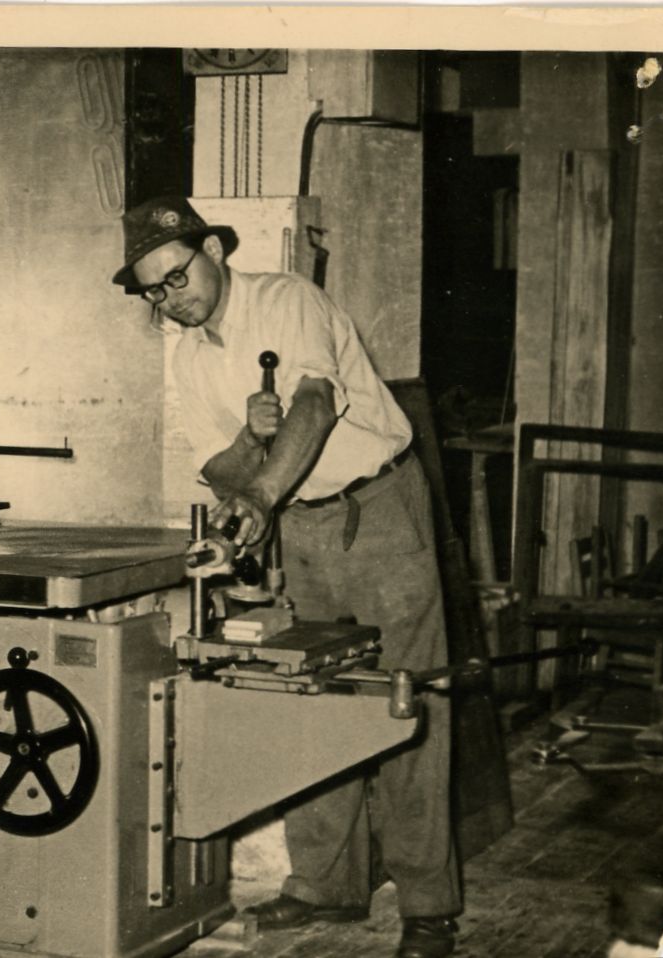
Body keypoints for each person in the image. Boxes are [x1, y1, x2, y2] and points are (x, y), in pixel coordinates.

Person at [111, 196, 461, 958]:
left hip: (376, 511)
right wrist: (248, 440)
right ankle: (325, 888)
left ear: (212, 250)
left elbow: (314, 399)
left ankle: (428, 907)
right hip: (296, 527)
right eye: (155, 292)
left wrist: (263, 494)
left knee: (406, 697)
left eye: (178, 276)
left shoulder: (288, 301)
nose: (173, 299)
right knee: (312, 700)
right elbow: (218, 470)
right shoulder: (188, 355)